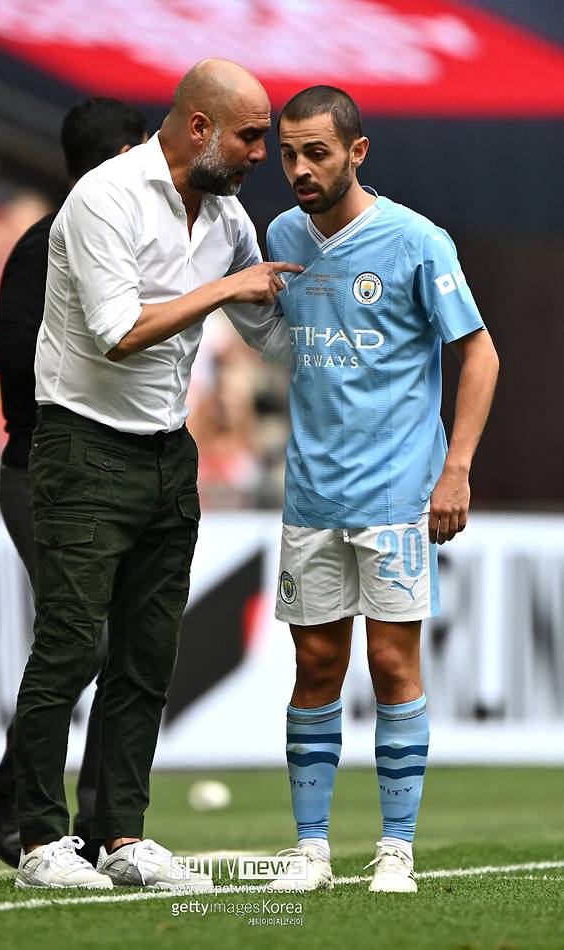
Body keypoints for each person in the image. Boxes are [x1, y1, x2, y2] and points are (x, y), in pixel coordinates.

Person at [11, 58, 302, 891]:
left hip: (169, 453)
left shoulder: (226, 215)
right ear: (199, 127)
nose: (261, 155)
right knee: (69, 649)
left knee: (146, 657)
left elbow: (267, 331)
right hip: (84, 445)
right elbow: (117, 333)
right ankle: (40, 842)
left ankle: (122, 838)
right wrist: (227, 287)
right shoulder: (104, 197)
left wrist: (342, 331)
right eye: (251, 137)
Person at [265, 86, 499, 893]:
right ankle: (311, 851)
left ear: (357, 152)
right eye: (288, 154)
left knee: (393, 662)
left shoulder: (416, 240)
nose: (300, 168)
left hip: (398, 493)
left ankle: (396, 849)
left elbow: (480, 353)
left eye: (317, 152)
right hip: (311, 493)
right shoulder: (282, 235)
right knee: (314, 664)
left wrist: (455, 467)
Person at [0, 98, 148, 869]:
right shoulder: (48, 240)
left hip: (114, 472)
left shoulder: (128, 241)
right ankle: (14, 801)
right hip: (42, 472)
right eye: (143, 151)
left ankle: (101, 825)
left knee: (122, 646)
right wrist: (93, 356)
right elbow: (7, 346)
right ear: (122, 157)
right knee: (84, 642)